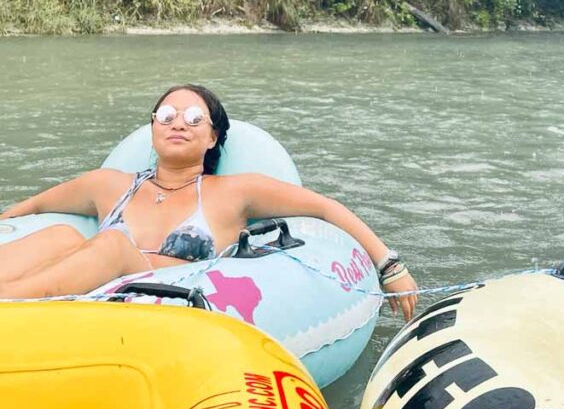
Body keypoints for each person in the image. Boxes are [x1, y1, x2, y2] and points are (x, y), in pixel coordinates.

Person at [0, 84, 419, 320]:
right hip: (89, 291)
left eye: (194, 118)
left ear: (213, 136)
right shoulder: (108, 185)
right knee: (58, 234)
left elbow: (325, 208)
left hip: (167, 300)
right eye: (166, 116)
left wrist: (390, 266)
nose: (178, 123)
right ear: (153, 130)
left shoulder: (233, 192)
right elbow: (32, 206)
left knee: (112, 245)